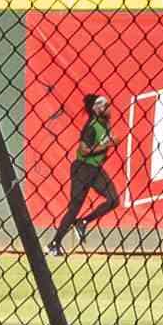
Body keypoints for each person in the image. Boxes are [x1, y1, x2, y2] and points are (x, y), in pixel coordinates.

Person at [51, 94, 120, 249]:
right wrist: (108, 145)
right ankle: (54, 244)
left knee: (114, 200)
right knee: (74, 208)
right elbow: (83, 150)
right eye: (105, 106)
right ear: (97, 109)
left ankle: (83, 222)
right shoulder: (91, 126)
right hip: (82, 168)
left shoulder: (105, 125)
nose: (109, 108)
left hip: (95, 169)